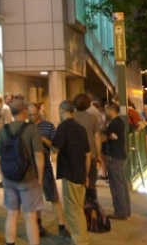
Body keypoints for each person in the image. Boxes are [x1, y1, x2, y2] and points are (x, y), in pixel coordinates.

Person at [0, 100, 45, 245]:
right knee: (30, 217)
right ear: (24, 111)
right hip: (29, 178)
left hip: (9, 178)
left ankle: (10, 243)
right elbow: (38, 155)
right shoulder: (32, 129)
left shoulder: (4, 130)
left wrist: (2, 176)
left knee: (12, 214)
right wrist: (40, 176)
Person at [51, 100, 91, 245]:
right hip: (81, 174)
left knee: (73, 211)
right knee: (78, 208)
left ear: (62, 110)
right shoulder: (81, 128)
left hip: (70, 173)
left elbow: (55, 149)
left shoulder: (63, 127)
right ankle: (82, 238)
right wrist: (86, 175)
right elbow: (88, 154)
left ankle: (80, 240)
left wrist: (45, 140)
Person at [28, 102, 68, 239]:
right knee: (35, 198)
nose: (32, 117)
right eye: (29, 114)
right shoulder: (26, 127)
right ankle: (38, 224)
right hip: (30, 168)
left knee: (53, 196)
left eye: (34, 113)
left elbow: (55, 146)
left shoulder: (48, 126)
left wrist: (43, 139)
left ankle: (62, 225)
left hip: (45, 166)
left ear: (39, 111)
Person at [102, 103, 130, 219]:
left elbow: (104, 137)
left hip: (115, 157)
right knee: (122, 184)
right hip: (121, 156)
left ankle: (120, 211)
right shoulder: (120, 122)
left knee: (116, 185)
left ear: (113, 110)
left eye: (106, 110)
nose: (105, 113)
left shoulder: (113, 124)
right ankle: (126, 210)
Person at [73, 93, 101, 199]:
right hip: (91, 153)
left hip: (74, 155)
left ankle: (79, 206)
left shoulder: (71, 117)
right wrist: (98, 154)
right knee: (91, 182)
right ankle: (92, 208)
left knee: (75, 184)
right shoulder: (93, 118)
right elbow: (97, 137)